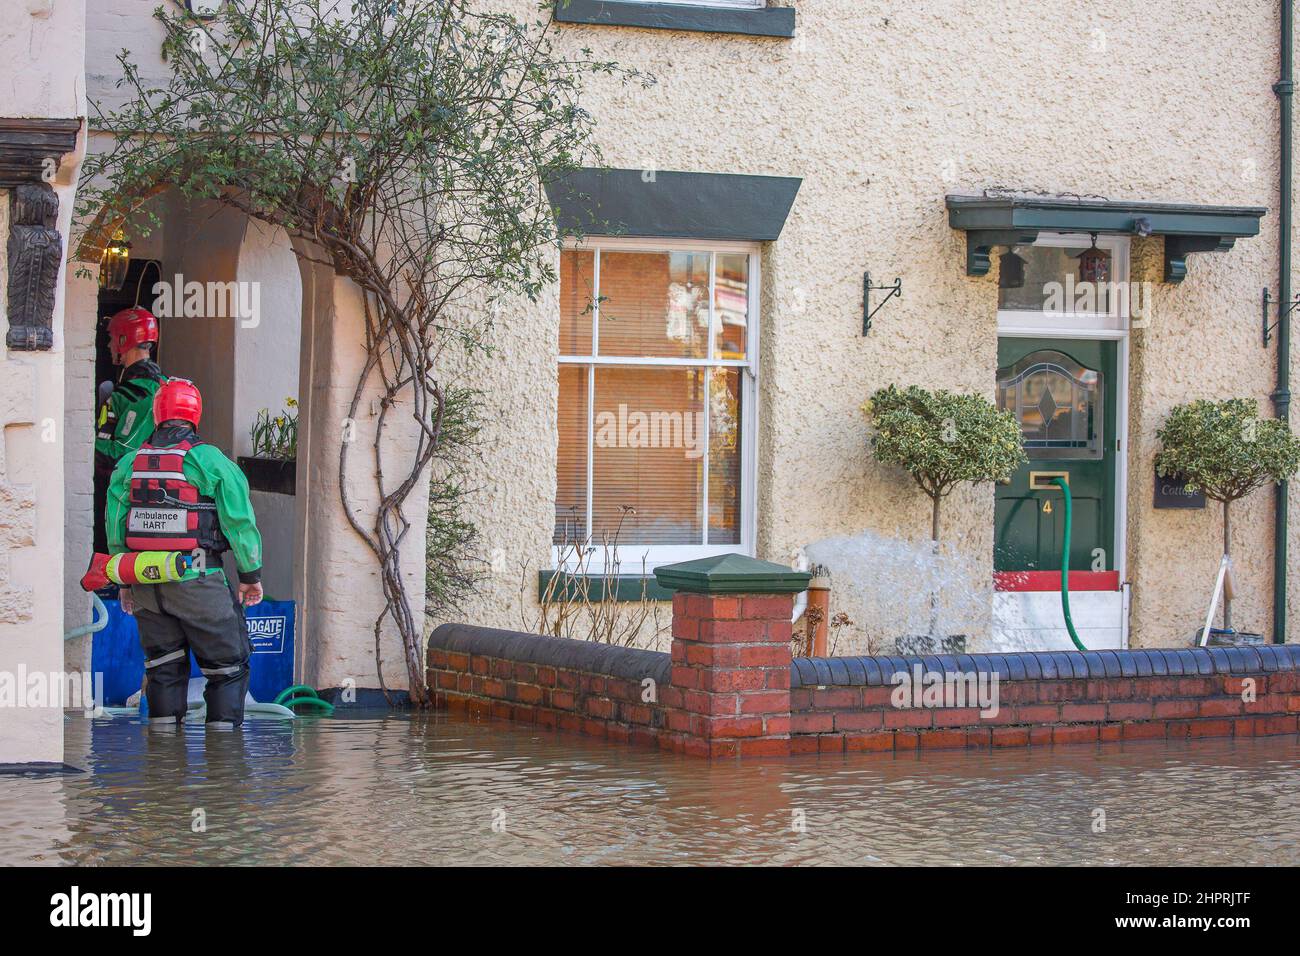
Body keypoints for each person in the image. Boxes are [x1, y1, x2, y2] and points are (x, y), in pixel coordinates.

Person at [106, 378, 265, 730]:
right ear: (195, 415)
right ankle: (223, 771)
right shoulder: (209, 460)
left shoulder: (129, 463)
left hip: (146, 584)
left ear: (157, 413)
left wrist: (125, 583)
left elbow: (115, 525)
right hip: (198, 580)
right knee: (228, 669)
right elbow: (239, 523)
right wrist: (250, 576)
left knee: (162, 670)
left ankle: (163, 772)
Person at [94, 307, 167, 554]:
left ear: (125, 339)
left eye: (112, 338)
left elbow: (122, 453)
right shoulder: (166, 386)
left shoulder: (135, 395)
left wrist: (83, 444)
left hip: (132, 496)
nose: (109, 345)